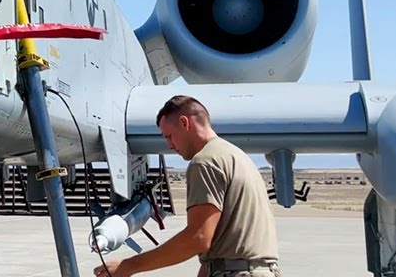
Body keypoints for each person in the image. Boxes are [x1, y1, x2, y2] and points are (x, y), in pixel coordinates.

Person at [94, 96, 279, 277]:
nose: (170, 145)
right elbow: (218, 243)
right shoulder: (235, 156)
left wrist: (128, 266)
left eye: (169, 136)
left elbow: (198, 238)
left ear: (184, 123)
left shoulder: (205, 161)